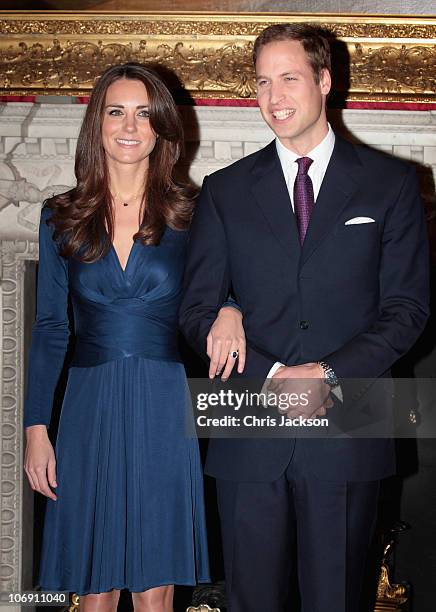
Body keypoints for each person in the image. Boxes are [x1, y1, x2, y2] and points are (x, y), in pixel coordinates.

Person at [179, 24, 430, 612]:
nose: (274, 98)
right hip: (248, 419)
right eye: (262, 83)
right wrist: (246, 341)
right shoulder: (224, 191)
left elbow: (408, 309)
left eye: (289, 78)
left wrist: (328, 373)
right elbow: (193, 310)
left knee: (336, 599)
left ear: (324, 80)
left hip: (352, 418)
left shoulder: (391, 185)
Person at [23, 63, 246, 612]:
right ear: (96, 124)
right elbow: (52, 328)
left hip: (162, 405)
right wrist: (35, 430)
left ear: (161, 127)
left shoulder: (192, 214)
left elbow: (231, 286)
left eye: (144, 113)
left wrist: (232, 309)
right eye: (115, 111)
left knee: (155, 586)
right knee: (91, 584)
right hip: (87, 406)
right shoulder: (61, 216)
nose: (129, 125)